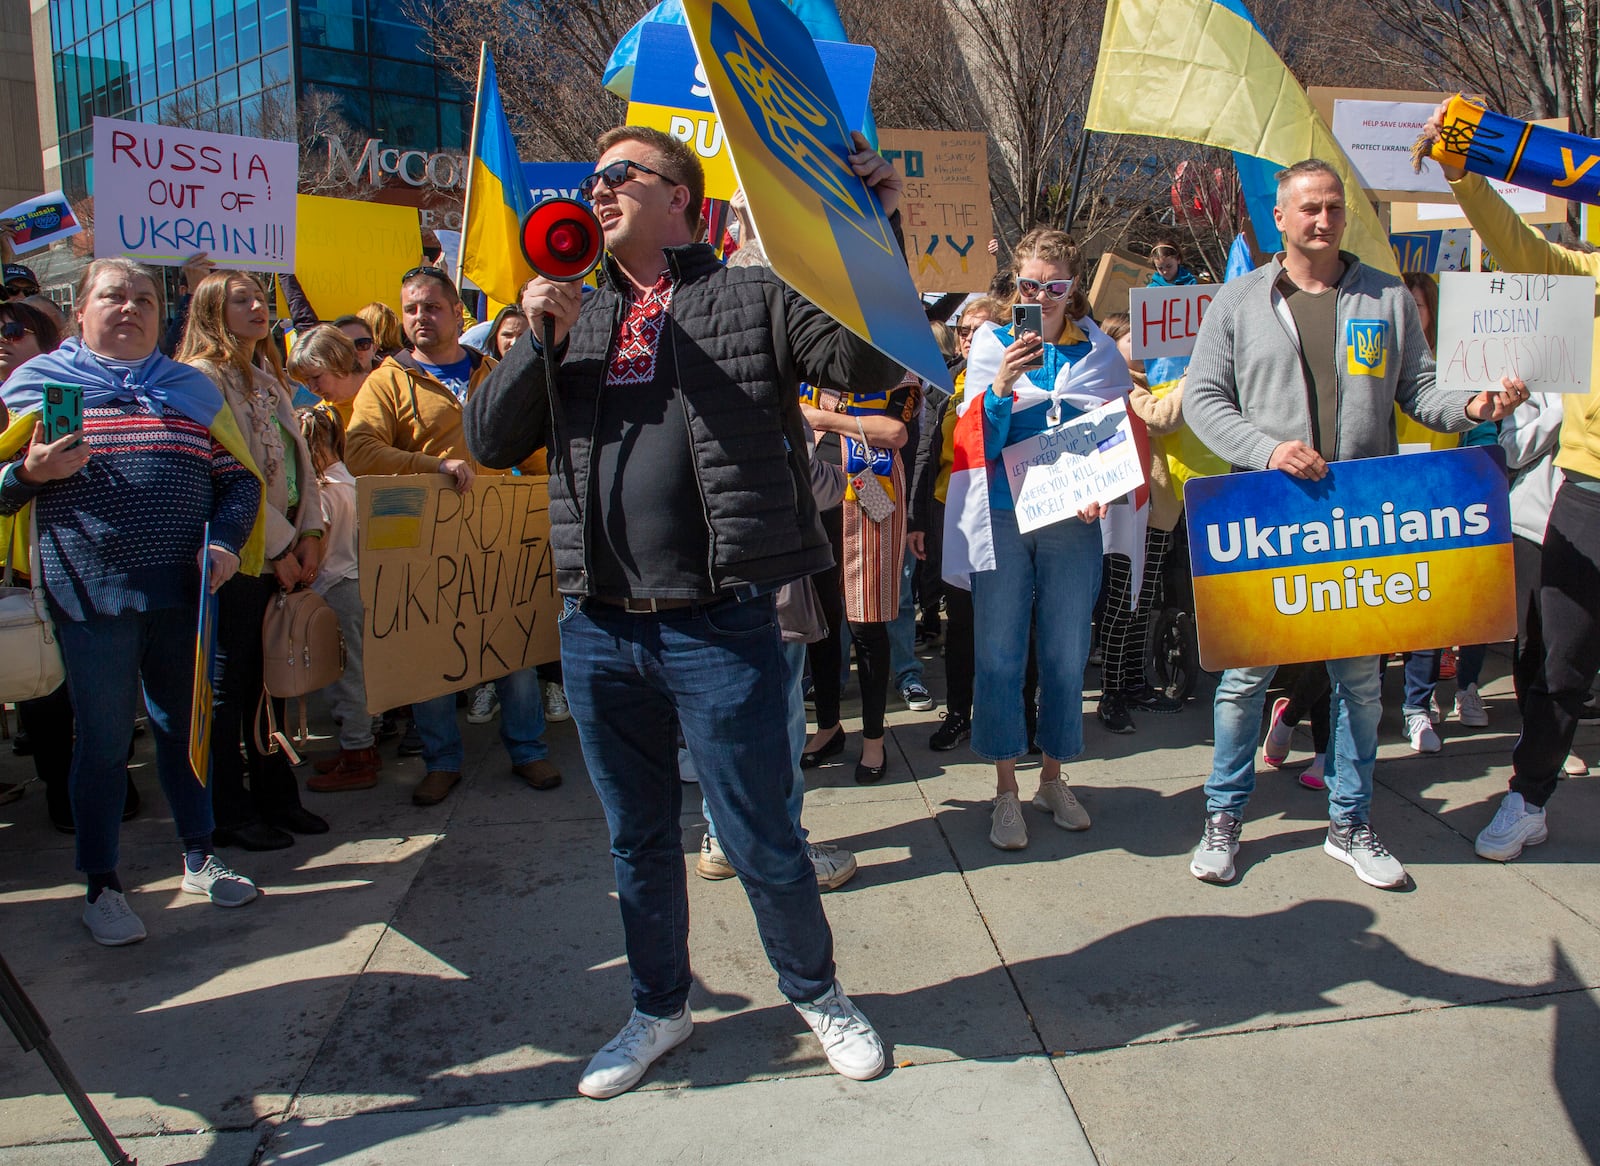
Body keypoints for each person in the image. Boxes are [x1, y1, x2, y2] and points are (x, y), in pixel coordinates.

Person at [465, 124, 902, 1097]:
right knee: (637, 836)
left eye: (623, 174)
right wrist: (532, 333)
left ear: (681, 201)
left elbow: (867, 367)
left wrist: (874, 228)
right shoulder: (565, 313)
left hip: (720, 623)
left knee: (758, 832)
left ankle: (817, 992)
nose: (599, 187)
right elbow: (492, 440)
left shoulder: (750, 291)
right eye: (592, 176)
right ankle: (657, 1007)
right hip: (601, 626)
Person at [1183, 158, 1526, 889]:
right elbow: (1204, 400)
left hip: (1360, 516)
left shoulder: (1386, 297)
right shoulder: (1240, 300)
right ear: (1279, 218)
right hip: (1268, 518)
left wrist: (1471, 409)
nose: (1322, 219)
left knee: (1360, 683)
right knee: (1245, 679)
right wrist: (1268, 450)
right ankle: (1224, 816)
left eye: (1333, 206)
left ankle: (1351, 821)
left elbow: (1420, 389)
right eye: (1308, 208)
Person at [1, 257, 264, 944]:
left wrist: (228, 543)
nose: (130, 308)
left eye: (144, 298)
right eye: (114, 297)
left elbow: (240, 483)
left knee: (187, 730)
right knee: (105, 742)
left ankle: (201, 857)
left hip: (182, 594)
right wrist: (28, 472)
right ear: (80, 310)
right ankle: (101, 885)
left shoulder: (189, 391)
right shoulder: (36, 389)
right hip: (91, 600)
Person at [1419, 102, 1600, 861]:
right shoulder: (1586, 274)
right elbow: (1511, 242)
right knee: (1555, 657)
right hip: (1589, 493)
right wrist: (1462, 168)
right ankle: (1528, 798)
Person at [345, 265, 557, 807]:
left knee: (512, 647)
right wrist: (429, 466)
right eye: (411, 308)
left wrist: (546, 488)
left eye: (432, 307)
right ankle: (441, 761)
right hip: (422, 545)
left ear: (456, 313)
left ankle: (529, 751)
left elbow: (533, 449)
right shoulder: (386, 381)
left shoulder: (494, 371)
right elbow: (360, 450)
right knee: (430, 654)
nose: (421, 317)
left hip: (496, 540)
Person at [946, 229, 1118, 851]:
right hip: (1002, 518)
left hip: (1071, 524)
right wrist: (998, 389)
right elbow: (972, 446)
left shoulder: (1098, 352)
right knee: (998, 654)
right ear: (1014, 286)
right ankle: (1004, 792)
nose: (1041, 296)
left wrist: (1105, 483)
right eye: (1029, 285)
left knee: (1067, 653)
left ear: (1074, 288)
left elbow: (1112, 437)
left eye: (1055, 285)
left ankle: (1051, 777)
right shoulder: (991, 345)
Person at [179, 270, 329, 852]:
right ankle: (227, 809)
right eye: (240, 300)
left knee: (274, 682)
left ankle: (276, 795)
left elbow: (300, 465)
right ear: (211, 310)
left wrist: (312, 531)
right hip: (239, 556)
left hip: (288, 546)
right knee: (232, 686)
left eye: (261, 298)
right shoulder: (201, 380)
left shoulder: (268, 376)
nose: (258, 307)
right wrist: (278, 547)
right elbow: (231, 477)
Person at [799, 371, 918, 783]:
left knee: (867, 621)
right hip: (815, 494)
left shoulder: (895, 368)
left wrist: (826, 418)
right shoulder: (812, 363)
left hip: (871, 493)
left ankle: (873, 738)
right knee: (823, 621)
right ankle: (828, 726)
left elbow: (894, 432)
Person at [916, 296, 1004, 751]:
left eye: (983, 329)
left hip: (1003, 516)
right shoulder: (945, 381)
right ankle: (958, 714)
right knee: (961, 622)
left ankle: (1014, 715)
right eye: (965, 330)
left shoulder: (1020, 381)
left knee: (1007, 623)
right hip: (951, 514)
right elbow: (926, 451)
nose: (971, 338)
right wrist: (917, 517)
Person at [1095, 313, 1186, 732]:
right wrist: (1192, 376)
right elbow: (1162, 418)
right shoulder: (1118, 385)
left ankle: (1133, 680)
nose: (1146, 343)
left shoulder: (1159, 380)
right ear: (1114, 343)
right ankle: (1112, 691)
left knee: (1140, 604)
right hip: (1126, 509)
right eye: (1135, 336)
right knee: (1121, 602)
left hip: (1158, 511)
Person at [296, 402, 379, 790]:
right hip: (357, 581)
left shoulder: (322, 491)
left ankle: (358, 754)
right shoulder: (351, 480)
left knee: (346, 677)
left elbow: (319, 545)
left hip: (334, 587)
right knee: (356, 672)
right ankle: (360, 746)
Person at [288, 323, 368, 429]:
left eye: (316, 377)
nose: (312, 389)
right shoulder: (320, 419)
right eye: (305, 381)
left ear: (339, 361)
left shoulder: (385, 392)